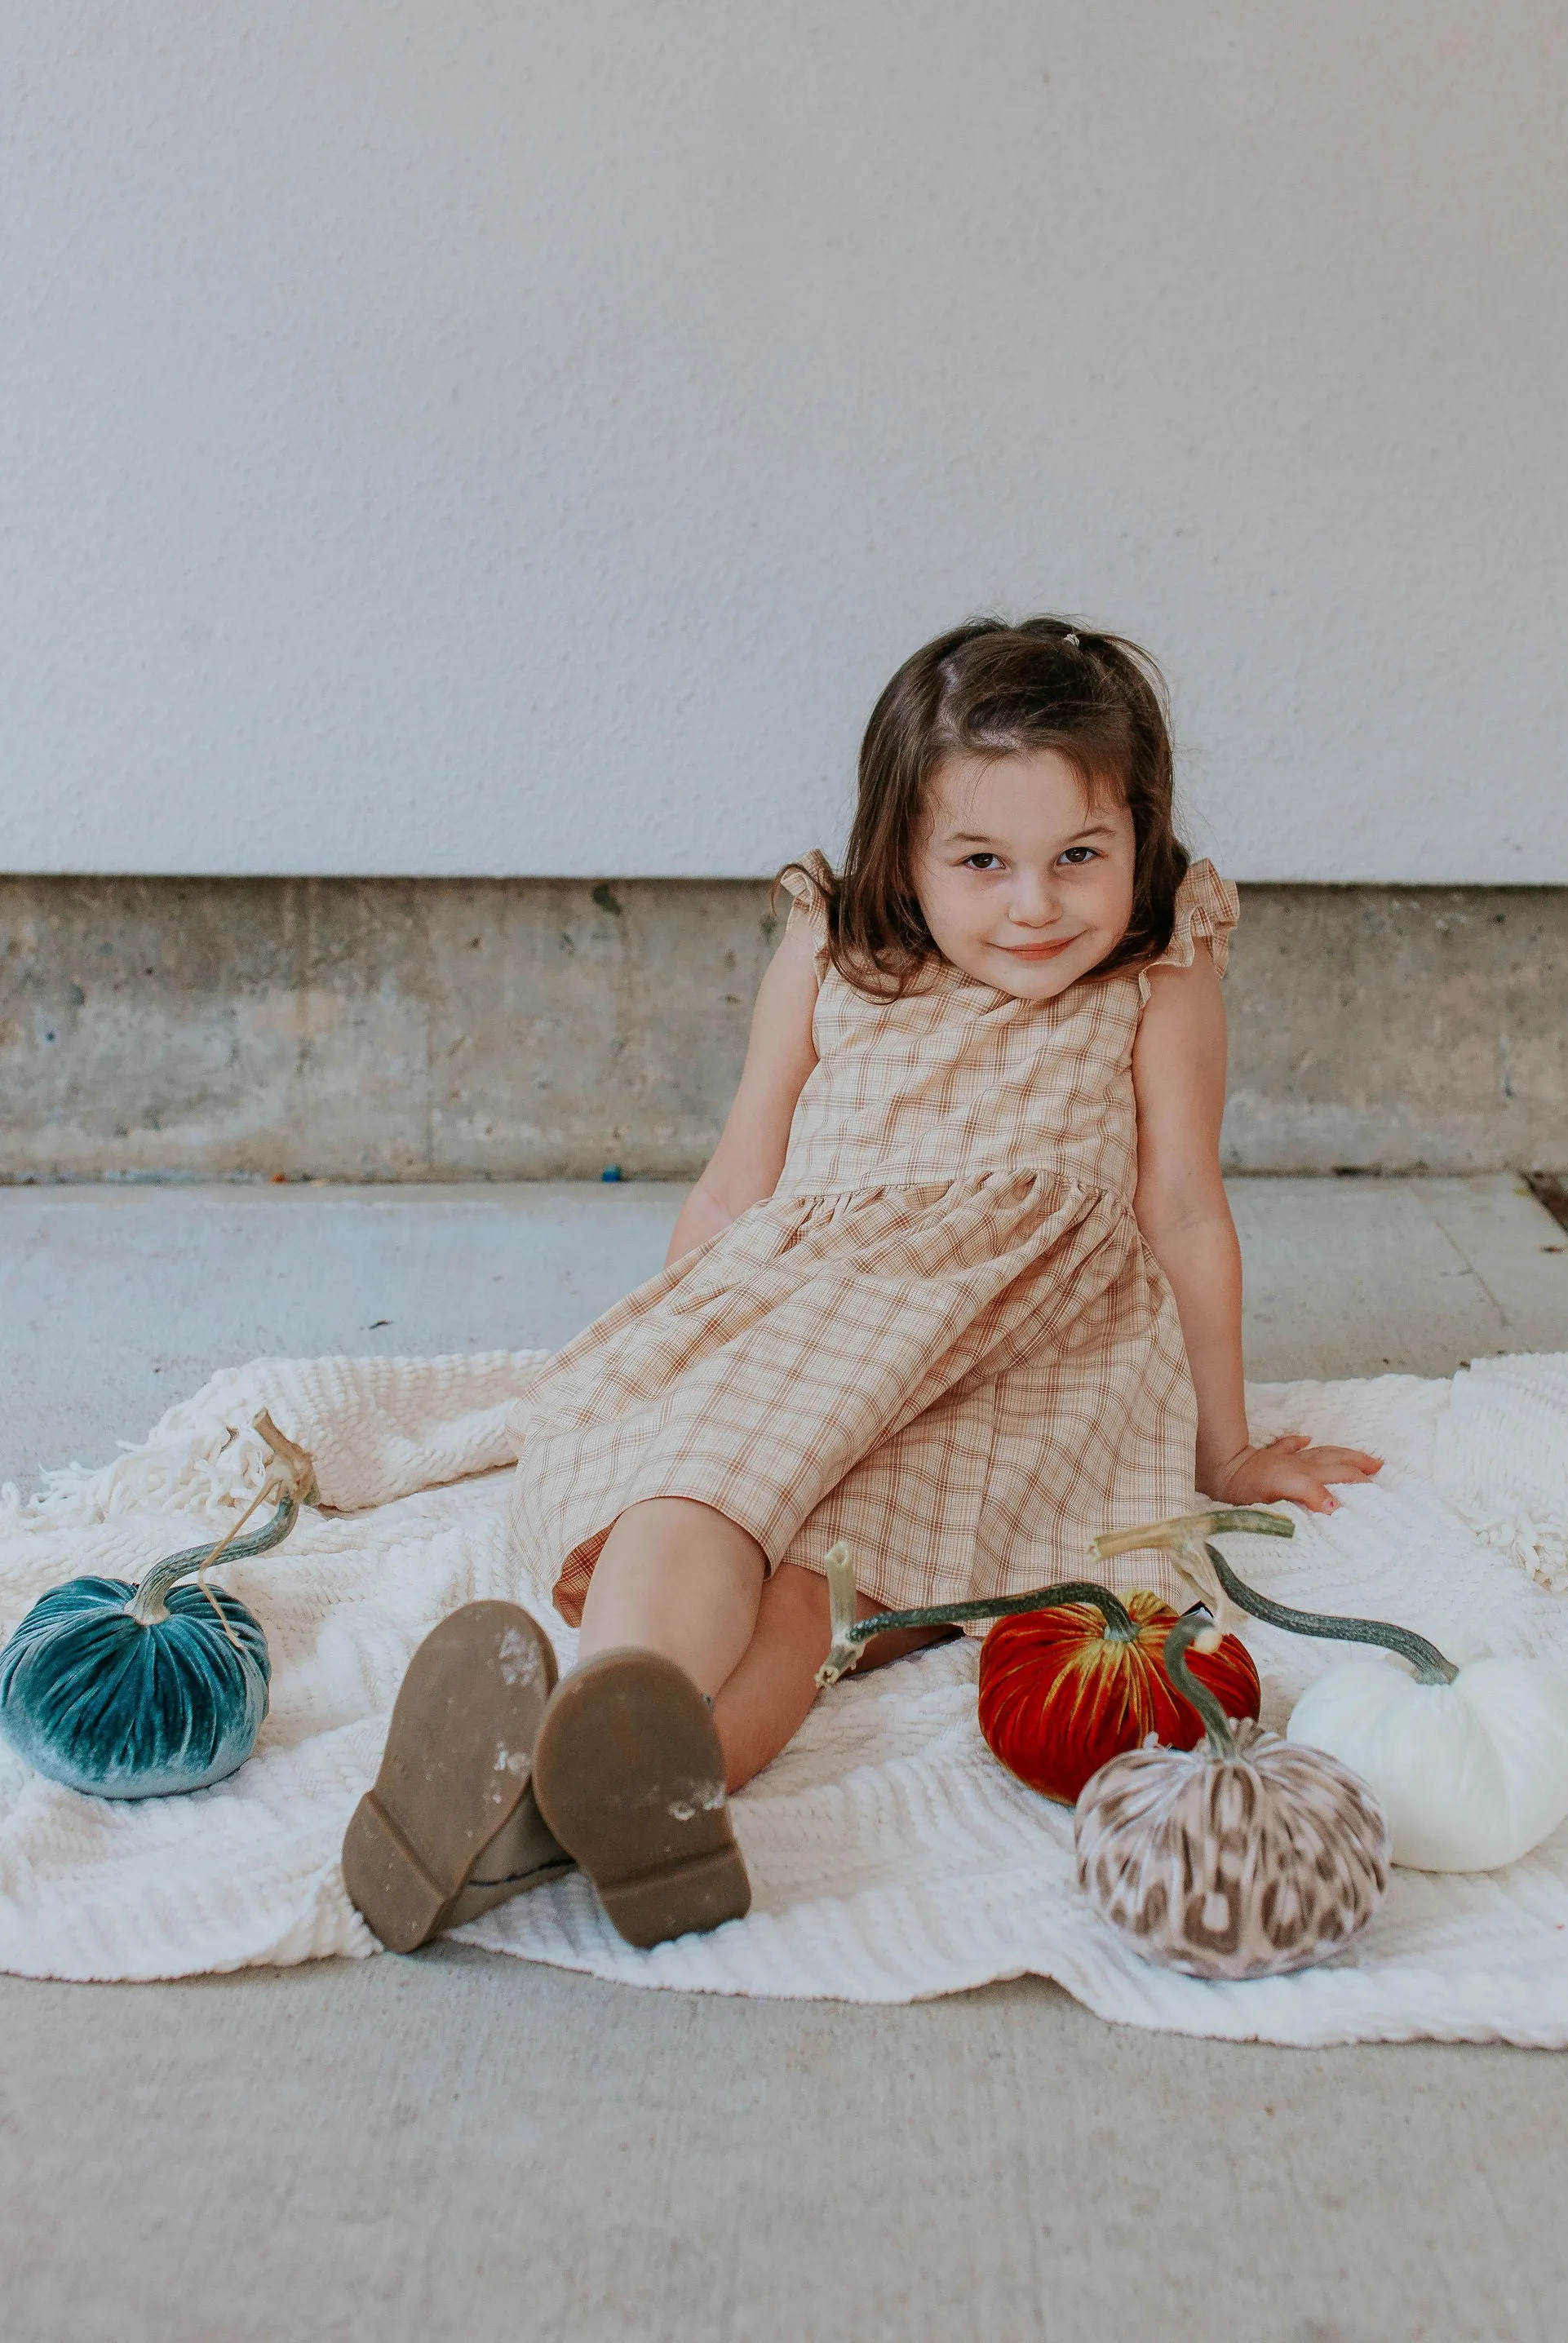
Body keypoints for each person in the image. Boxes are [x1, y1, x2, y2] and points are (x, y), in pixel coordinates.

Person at [343, 617, 1383, 1956]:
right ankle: (617, 1723)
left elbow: (1181, 1205)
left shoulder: (1155, 977)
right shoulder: (838, 952)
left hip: (1016, 1358)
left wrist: (1224, 1448)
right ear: (902, 853)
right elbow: (735, 1186)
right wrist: (683, 1359)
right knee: (698, 1492)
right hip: (814, 1314)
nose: (1035, 903)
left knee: (815, 1601)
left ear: (1142, 842)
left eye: (1081, 856)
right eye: (983, 861)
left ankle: (564, 1801)